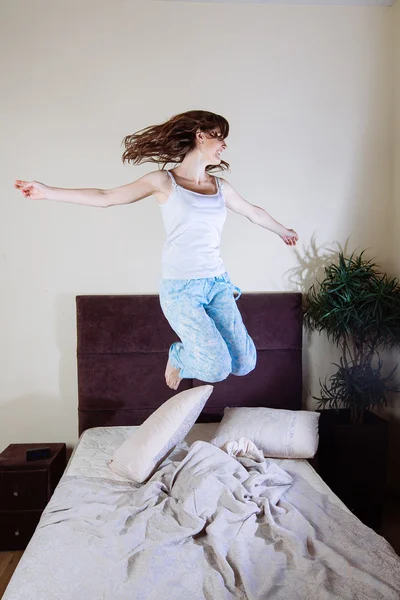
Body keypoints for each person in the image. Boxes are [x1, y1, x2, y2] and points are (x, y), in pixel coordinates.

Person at [15, 110, 298, 391]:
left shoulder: (220, 187)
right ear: (200, 136)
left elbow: (254, 213)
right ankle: (178, 355)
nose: (224, 145)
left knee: (245, 362)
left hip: (217, 284)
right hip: (181, 291)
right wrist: (47, 191)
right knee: (217, 367)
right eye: (220, 138)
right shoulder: (164, 181)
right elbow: (106, 198)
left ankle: (193, 353)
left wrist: (283, 230)